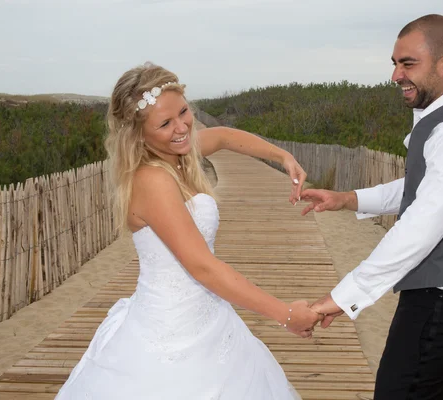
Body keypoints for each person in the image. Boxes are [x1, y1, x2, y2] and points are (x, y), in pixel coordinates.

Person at [55, 62, 321, 400]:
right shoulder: (152, 179)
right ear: (138, 134)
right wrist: (285, 315)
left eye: (183, 112)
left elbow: (224, 136)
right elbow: (202, 266)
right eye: (165, 123)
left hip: (207, 316)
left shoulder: (175, 154)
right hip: (169, 329)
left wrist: (282, 156)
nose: (182, 127)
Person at [302, 14, 443, 400]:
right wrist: (348, 199)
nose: (396, 75)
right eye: (395, 64)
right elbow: (420, 188)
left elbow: (419, 228)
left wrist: (343, 296)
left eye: (408, 63)